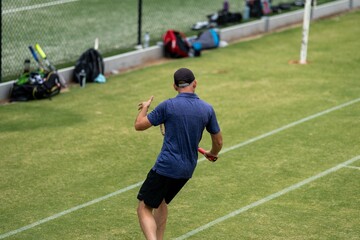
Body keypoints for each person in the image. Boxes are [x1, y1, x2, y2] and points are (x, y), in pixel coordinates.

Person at [134, 67, 223, 240]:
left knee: (144, 207)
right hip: (187, 170)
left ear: (175, 87)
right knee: (161, 202)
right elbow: (218, 142)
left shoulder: (168, 106)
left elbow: (139, 125)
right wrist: (212, 152)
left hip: (166, 166)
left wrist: (145, 108)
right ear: (195, 83)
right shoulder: (207, 109)